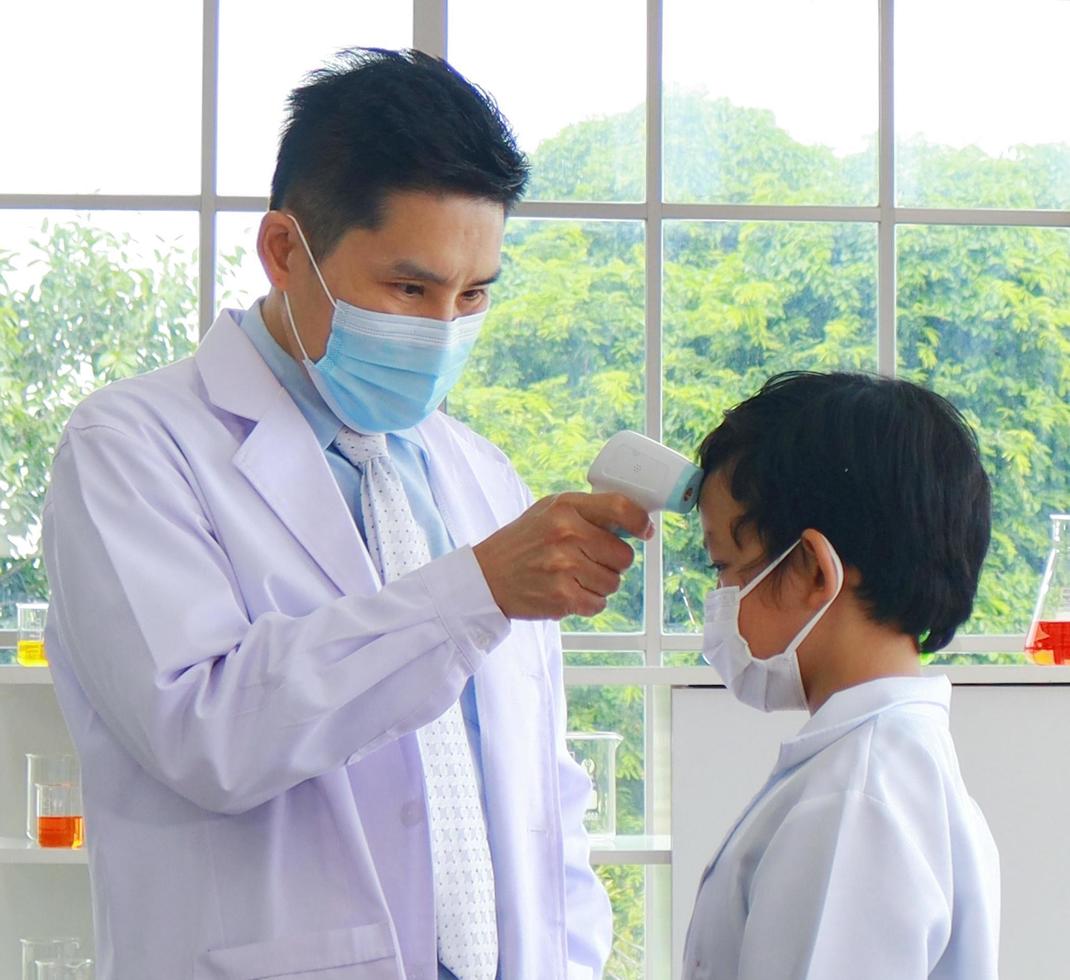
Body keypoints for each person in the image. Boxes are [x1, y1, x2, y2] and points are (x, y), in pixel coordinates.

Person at [42, 48, 649, 979]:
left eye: (474, 294)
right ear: (286, 251)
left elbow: (540, 792)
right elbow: (207, 734)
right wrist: (473, 591)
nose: (443, 329)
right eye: (409, 289)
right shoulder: (132, 448)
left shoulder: (481, 473)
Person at [683, 371, 1000, 979]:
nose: (720, 595)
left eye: (725, 565)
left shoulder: (856, 799)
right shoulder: (890, 767)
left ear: (811, 570)